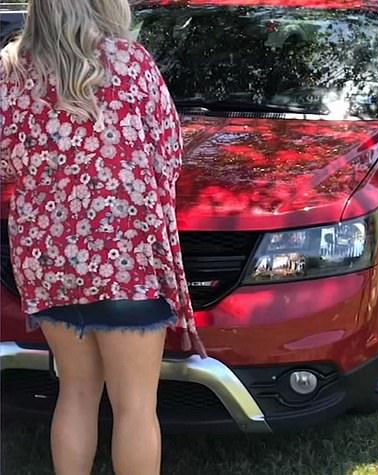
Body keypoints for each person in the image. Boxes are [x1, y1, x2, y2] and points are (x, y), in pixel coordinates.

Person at [0, 1, 206, 473]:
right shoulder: (130, 62)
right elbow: (169, 153)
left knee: (74, 393)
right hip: (125, 257)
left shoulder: (11, 72)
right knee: (134, 406)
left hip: (47, 258)